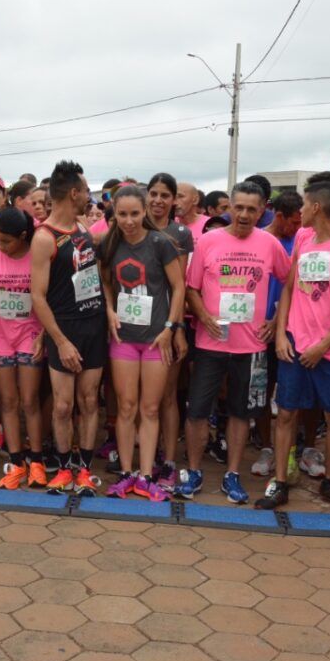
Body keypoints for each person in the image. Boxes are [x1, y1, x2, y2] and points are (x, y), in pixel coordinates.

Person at [175, 180, 288, 503]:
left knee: (241, 412)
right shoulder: (209, 241)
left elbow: (290, 280)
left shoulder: (269, 244)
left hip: (251, 346)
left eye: (252, 209)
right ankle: (195, 471)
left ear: (263, 210)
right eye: (238, 207)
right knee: (197, 410)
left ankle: (232, 474)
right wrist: (203, 317)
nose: (244, 214)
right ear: (230, 208)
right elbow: (191, 288)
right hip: (210, 343)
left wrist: (276, 319)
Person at [257, 181, 330, 512]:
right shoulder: (302, 240)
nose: (299, 210)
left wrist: (324, 345)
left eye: (304, 205)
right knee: (286, 412)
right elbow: (288, 288)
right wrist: (280, 334)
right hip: (294, 343)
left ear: (316, 207)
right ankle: (280, 480)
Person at [99, 185, 187, 501]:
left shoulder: (160, 243)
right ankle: (126, 473)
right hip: (124, 337)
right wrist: (109, 309)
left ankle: (147, 475)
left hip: (155, 340)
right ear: (115, 214)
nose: (129, 220)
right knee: (125, 407)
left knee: (150, 408)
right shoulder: (109, 243)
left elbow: (179, 288)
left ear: (145, 212)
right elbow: (106, 282)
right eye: (122, 214)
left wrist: (169, 328)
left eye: (135, 213)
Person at [31, 160, 105, 495]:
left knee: (89, 401)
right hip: (65, 329)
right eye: (87, 190)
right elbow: (38, 297)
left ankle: (85, 469)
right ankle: (62, 469)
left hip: (94, 324)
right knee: (63, 405)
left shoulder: (83, 228)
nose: (89, 196)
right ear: (73, 192)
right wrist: (59, 341)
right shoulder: (44, 238)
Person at [0, 208, 46, 489]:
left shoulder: (37, 255)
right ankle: (16, 462)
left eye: (6, 241)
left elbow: (46, 298)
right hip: (0, 336)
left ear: (23, 237)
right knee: (7, 401)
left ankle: (37, 461)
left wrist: (44, 334)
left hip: (31, 334)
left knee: (30, 400)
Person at [144, 173, 194, 473]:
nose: (158, 200)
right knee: (139, 398)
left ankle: (170, 458)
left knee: (168, 395)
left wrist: (176, 329)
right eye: (154, 194)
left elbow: (181, 285)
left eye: (165, 195)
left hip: (167, 323)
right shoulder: (132, 225)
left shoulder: (181, 234)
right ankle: (143, 457)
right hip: (134, 324)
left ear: (174, 199)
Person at [251, 191, 303, 477]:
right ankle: (266, 446)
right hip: (257, 330)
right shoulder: (258, 238)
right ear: (279, 216)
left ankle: (292, 449)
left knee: (289, 393)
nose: (297, 228)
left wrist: (278, 321)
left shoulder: (302, 241)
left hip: (290, 329)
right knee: (262, 388)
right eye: (293, 222)